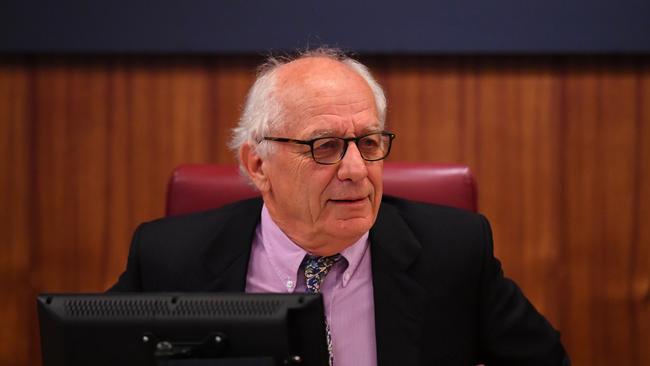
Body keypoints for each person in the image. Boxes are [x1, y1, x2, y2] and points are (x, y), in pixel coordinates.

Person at [111, 48, 570, 366]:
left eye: (368, 142)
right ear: (258, 165)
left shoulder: (454, 253)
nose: (356, 169)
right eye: (325, 147)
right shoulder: (169, 259)